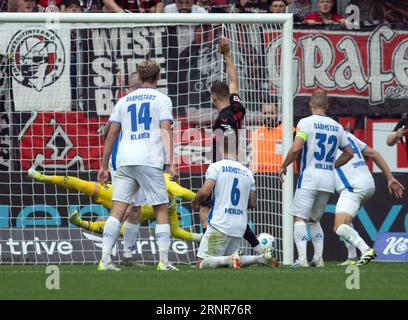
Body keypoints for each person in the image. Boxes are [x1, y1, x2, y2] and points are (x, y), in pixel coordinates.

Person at [97, 59, 178, 271]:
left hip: (123, 160)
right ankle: (164, 262)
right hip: (148, 160)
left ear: (140, 77)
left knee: (117, 210)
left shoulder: (123, 101)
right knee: (161, 208)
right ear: (158, 77)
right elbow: (165, 130)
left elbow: (111, 135)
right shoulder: (162, 100)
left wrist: (104, 166)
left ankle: (105, 260)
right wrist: (171, 163)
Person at [200, 38, 266, 256]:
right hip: (236, 164)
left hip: (225, 163)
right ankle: (258, 248)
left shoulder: (223, 120)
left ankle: (208, 249)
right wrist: (227, 56)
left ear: (213, 98)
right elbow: (234, 81)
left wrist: (222, 165)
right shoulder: (238, 105)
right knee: (233, 210)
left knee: (208, 206)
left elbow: (228, 140)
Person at [278, 89, 354, 267]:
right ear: (327, 106)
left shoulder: (305, 123)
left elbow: (296, 148)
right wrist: (331, 165)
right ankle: (319, 258)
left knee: (299, 218)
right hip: (327, 180)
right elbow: (349, 153)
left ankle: (303, 259)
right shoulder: (337, 127)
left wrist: (283, 165)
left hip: (310, 178)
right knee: (314, 220)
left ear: (310, 105)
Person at [27, 169, 202, 243]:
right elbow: (184, 193)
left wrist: (199, 238)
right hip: (120, 193)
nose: (175, 177)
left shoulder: (170, 206)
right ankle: (44, 177)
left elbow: (175, 231)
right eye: (173, 175)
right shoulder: (164, 179)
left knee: (121, 230)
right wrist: (203, 199)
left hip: (135, 212)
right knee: (85, 186)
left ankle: (82, 223)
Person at [192, 134, 278, 269]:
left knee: (201, 264)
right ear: (238, 149)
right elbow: (253, 203)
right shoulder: (248, 173)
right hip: (239, 227)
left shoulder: (216, 167)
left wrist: (194, 202)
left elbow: (205, 192)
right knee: (227, 265)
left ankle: (235, 258)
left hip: (220, 224)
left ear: (220, 148)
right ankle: (260, 258)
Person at [334, 131, 405, 266]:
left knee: (339, 226)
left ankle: (366, 250)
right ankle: (352, 257)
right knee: (346, 219)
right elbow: (374, 153)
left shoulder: (328, 137)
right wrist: (389, 178)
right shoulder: (347, 135)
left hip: (353, 187)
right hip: (368, 183)